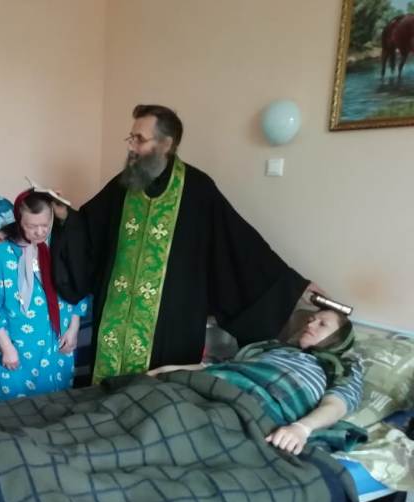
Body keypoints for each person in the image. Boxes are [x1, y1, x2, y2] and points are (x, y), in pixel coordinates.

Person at [50, 104, 316, 384]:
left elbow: (240, 246)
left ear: (166, 144)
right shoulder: (124, 185)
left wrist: (293, 284)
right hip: (115, 317)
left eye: (139, 139)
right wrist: (65, 217)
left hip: (171, 320)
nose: (131, 146)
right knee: (104, 393)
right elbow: (89, 229)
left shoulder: (198, 190)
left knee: (157, 395)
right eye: (131, 138)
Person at [150, 308, 365, 455]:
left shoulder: (343, 367)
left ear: (339, 338)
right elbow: (220, 366)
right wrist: (169, 370)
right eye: (311, 320)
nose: (311, 325)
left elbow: (336, 406)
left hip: (252, 405)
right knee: (150, 398)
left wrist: (301, 428)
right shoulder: (271, 348)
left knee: (173, 425)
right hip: (211, 385)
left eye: (322, 324)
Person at [0, 190, 88, 401]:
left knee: (59, 403)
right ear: (19, 221)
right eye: (31, 226)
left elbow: (79, 284)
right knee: (18, 409)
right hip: (19, 346)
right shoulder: (1, 254)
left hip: (59, 344)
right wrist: (7, 347)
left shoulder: (60, 245)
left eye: (45, 225)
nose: (39, 232)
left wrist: (74, 328)